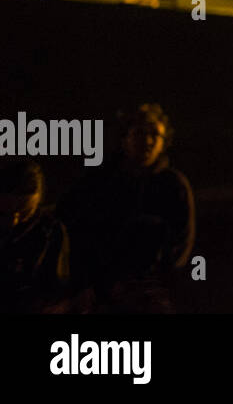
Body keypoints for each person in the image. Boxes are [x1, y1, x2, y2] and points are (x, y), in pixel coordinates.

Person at [58, 103, 195, 310]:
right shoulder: (101, 181)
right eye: (140, 133)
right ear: (124, 138)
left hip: (150, 294)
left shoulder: (173, 185)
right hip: (100, 292)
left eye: (155, 135)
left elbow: (181, 241)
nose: (147, 141)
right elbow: (77, 229)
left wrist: (154, 283)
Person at [0, 158, 71, 313]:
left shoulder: (50, 232)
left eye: (24, 213)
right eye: (5, 212)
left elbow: (56, 284)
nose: (14, 221)